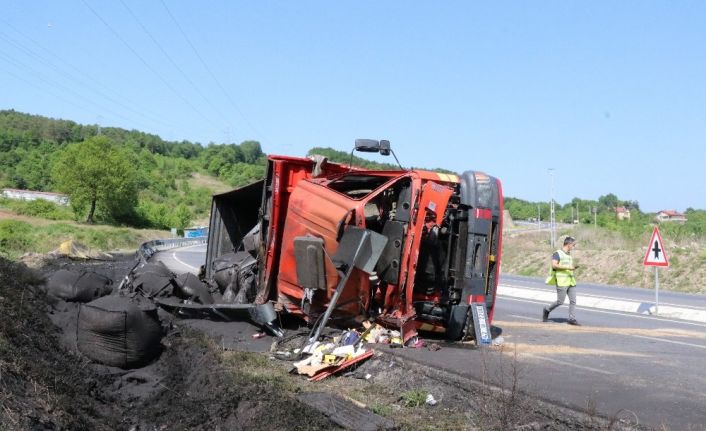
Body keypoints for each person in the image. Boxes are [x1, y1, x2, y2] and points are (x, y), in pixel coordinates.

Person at [543, 236, 580, 325]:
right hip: (562, 281)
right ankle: (547, 310)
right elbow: (554, 265)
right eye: (573, 245)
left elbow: (568, 267)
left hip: (571, 281)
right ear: (568, 244)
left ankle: (572, 319)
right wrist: (568, 268)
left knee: (573, 301)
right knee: (560, 301)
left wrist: (572, 268)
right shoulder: (557, 253)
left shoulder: (568, 254)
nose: (574, 247)